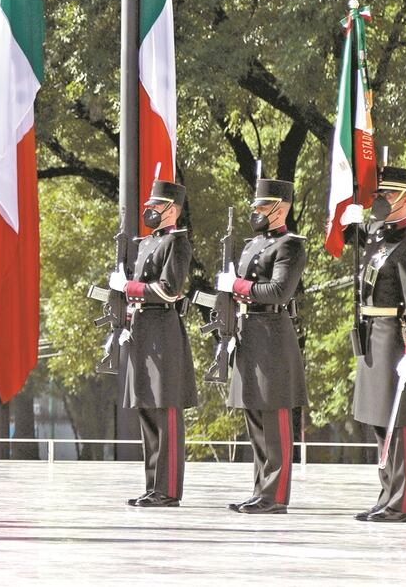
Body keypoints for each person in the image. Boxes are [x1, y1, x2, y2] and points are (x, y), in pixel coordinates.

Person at [340, 166, 406, 523]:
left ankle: (402, 502)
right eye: (378, 195)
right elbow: (350, 239)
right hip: (371, 333)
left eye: (386, 195)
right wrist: (346, 220)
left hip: (396, 338)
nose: (378, 201)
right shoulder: (378, 234)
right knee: (382, 421)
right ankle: (388, 494)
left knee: (402, 421)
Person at [217, 178, 307, 514]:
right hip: (248, 331)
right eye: (255, 206)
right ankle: (260, 489)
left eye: (263, 206)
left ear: (281, 208)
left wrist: (236, 285)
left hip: (272, 334)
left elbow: (279, 291)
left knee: (274, 417)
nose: (256, 212)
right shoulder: (252, 244)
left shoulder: (290, 245)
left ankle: (276, 495)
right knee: (254, 415)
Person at [108, 180, 197, 507]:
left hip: (162, 328)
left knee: (165, 411)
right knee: (147, 410)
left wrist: (129, 288)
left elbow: (169, 288)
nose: (150, 211)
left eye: (156, 206)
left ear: (171, 209)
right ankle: (153, 485)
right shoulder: (147, 243)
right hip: (142, 328)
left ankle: (169, 490)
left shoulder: (177, 242)